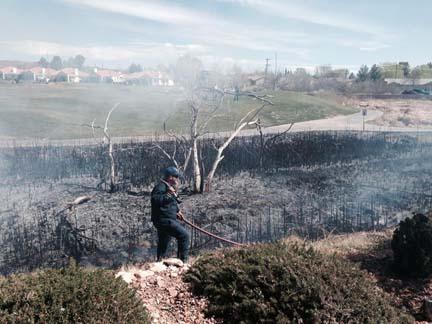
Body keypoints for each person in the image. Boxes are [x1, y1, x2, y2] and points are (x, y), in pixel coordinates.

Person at [151, 166, 190, 263]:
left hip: (166, 219)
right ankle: (183, 262)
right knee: (184, 236)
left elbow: (171, 202)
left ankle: (159, 262)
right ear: (170, 177)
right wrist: (168, 194)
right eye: (176, 177)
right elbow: (155, 200)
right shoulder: (160, 186)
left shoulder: (168, 187)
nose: (177, 179)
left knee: (164, 241)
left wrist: (177, 211)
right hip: (164, 220)